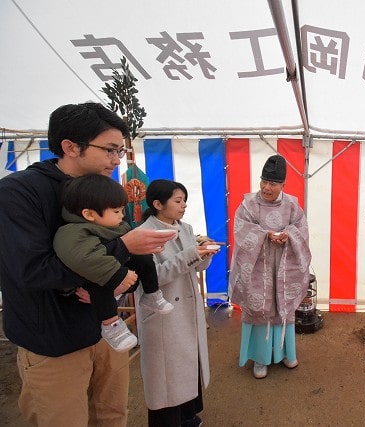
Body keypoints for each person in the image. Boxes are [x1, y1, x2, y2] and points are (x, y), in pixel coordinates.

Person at [0, 102, 176, 427]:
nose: (116, 159)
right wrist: (122, 248)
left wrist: (128, 278)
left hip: (106, 333)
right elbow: (31, 270)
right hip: (53, 344)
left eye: (119, 151)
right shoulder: (19, 193)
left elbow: (125, 266)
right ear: (70, 147)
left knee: (113, 416)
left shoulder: (104, 190)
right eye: (109, 149)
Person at [53, 174, 174, 353]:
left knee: (145, 258)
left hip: (115, 269)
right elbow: (87, 259)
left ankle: (151, 294)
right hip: (95, 276)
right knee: (99, 285)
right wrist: (120, 275)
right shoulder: (73, 232)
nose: (122, 216)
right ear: (89, 214)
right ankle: (111, 326)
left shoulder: (113, 225)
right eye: (116, 211)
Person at [136, 179, 218, 427]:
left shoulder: (185, 228)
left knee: (187, 367)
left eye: (184, 201)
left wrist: (205, 252)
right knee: (167, 377)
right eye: (178, 201)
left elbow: (197, 267)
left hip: (186, 308)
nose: (183, 206)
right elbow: (156, 276)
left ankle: (188, 417)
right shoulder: (143, 235)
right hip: (164, 312)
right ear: (158, 204)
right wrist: (192, 253)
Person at [229, 154, 312, 379]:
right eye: (264, 181)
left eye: (273, 183)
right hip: (257, 266)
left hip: (284, 265)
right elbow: (241, 230)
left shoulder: (292, 205)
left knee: (281, 306)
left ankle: (286, 352)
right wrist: (264, 235)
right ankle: (260, 357)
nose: (267, 187)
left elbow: (302, 230)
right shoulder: (248, 205)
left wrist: (289, 235)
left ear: (283, 185)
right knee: (260, 308)